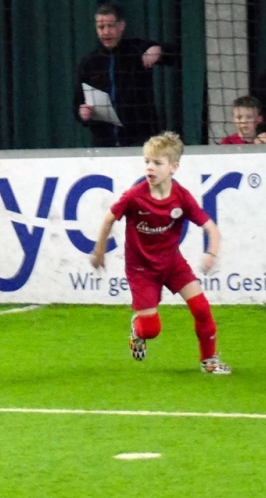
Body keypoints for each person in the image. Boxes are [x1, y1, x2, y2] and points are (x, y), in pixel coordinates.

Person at [89, 131, 231, 375]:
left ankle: (209, 360)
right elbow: (109, 218)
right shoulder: (135, 196)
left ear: (173, 167)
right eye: (147, 161)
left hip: (172, 263)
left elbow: (211, 229)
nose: (149, 168)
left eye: (157, 162)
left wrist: (211, 253)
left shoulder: (182, 197)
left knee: (201, 308)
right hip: (141, 269)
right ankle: (138, 328)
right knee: (151, 329)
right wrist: (99, 251)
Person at [74, 3, 173, 147]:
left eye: (111, 26)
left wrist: (159, 50)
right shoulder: (89, 63)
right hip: (104, 144)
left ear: (121, 26)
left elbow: (176, 54)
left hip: (141, 142)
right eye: (101, 27)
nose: (106, 32)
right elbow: (78, 103)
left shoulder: (137, 49)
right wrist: (82, 113)